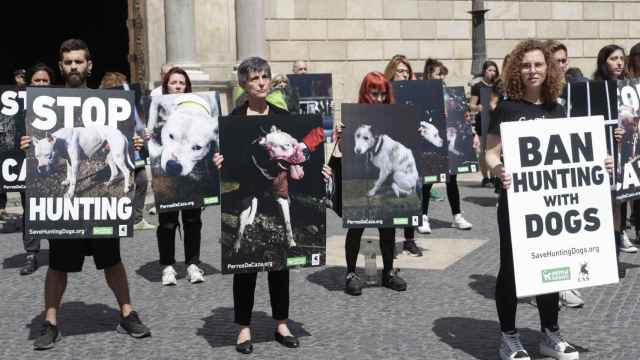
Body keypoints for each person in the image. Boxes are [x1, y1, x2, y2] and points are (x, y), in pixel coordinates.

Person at [20, 38, 150, 351]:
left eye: (79, 61)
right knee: (58, 264)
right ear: (61, 66)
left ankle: (127, 313)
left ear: (89, 65)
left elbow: (129, 135)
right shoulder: (45, 105)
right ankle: (51, 321)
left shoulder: (106, 101)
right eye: (68, 62)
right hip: (67, 210)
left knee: (112, 260)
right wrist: (26, 146)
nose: (74, 67)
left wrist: (135, 145)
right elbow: (39, 145)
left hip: (100, 206)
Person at [212, 57, 329, 354]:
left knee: (280, 265)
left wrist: (322, 170)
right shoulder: (233, 121)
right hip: (250, 180)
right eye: (254, 78)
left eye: (265, 76)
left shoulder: (283, 115)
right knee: (245, 266)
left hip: (277, 181)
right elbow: (231, 164)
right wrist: (219, 164)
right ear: (243, 84)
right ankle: (243, 328)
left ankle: (281, 323)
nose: (262, 82)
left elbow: (298, 155)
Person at [486, 39, 585, 360]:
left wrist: (600, 161)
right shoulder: (506, 108)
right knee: (511, 269)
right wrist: (500, 169)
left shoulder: (558, 109)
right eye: (526, 65)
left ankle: (550, 333)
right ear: (517, 69)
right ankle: (509, 336)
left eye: (538, 64)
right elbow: (489, 153)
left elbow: (571, 156)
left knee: (552, 264)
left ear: (549, 68)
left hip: (550, 204)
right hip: (516, 202)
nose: (532, 70)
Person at [332, 71, 408, 296]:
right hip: (360, 178)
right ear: (366, 92)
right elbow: (341, 154)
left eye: (383, 94)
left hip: (383, 178)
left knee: (388, 227)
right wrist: (340, 136)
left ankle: (388, 273)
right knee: (356, 226)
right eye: (374, 93)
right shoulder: (353, 118)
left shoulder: (392, 117)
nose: (378, 98)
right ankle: (351, 273)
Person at [144, 67, 206, 286]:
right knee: (167, 223)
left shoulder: (197, 110)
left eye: (181, 83)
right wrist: (146, 136)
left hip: (190, 174)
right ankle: (168, 266)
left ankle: (192, 264)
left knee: (192, 220)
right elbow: (149, 140)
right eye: (174, 82)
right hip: (166, 172)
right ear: (166, 85)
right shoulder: (158, 109)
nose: (178, 86)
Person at [415, 58, 473, 234]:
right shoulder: (422, 94)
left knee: (452, 180)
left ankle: (457, 216)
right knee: (429, 181)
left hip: (448, 140)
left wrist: (465, 117)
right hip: (431, 141)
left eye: (443, 74)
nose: (441, 77)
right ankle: (423, 217)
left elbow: (459, 115)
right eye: (438, 74)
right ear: (429, 73)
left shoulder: (449, 94)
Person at [593, 44, 638, 258]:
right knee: (607, 201)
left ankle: (617, 244)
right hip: (604, 153)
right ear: (604, 62)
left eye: (621, 58)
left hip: (626, 153)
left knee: (621, 201)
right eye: (613, 58)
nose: (619, 62)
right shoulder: (594, 88)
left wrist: (628, 132)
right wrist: (610, 133)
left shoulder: (632, 89)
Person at [100, 72, 156, 232]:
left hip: (134, 150)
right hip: (113, 149)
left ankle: (137, 219)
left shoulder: (129, 104)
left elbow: (138, 125)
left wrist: (143, 136)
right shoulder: (100, 105)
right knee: (117, 183)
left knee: (142, 180)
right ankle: (113, 219)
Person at [18, 63, 56, 276]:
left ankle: (58, 249)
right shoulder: (17, 106)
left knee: (53, 205)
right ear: (29, 83)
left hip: (50, 165)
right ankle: (31, 253)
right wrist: (19, 143)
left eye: (45, 80)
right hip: (27, 166)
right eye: (37, 80)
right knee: (30, 211)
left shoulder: (60, 105)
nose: (41, 84)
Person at [469, 60, 499, 187]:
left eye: (494, 70)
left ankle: (494, 176)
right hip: (483, 120)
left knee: (494, 150)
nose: (492, 73)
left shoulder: (498, 86)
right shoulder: (478, 86)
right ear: (484, 71)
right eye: (489, 70)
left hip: (495, 120)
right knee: (483, 150)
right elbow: (471, 105)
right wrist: (478, 107)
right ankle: (485, 177)